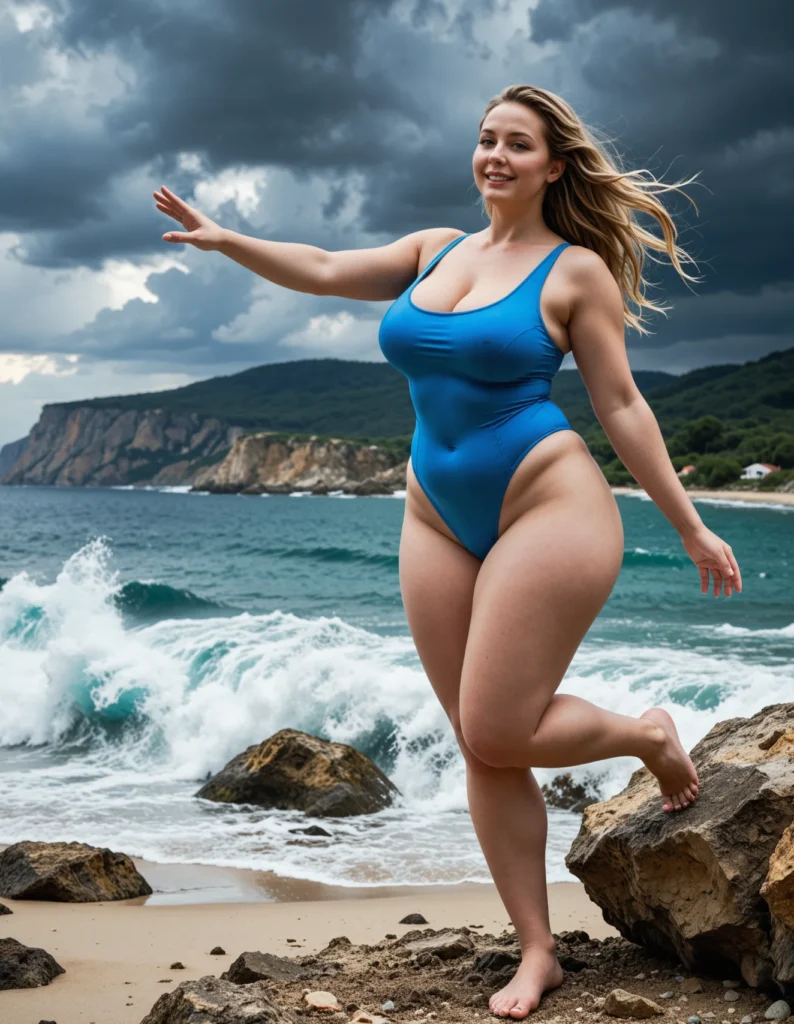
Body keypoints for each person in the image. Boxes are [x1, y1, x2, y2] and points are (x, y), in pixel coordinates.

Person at [154, 83, 742, 1020]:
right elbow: (319, 263)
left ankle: (646, 735)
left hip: (548, 504)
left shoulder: (574, 270)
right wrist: (229, 239)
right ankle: (537, 948)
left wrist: (690, 523)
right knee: (482, 742)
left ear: (554, 165)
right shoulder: (434, 251)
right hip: (433, 513)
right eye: (485, 141)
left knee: (502, 726)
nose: (495, 157)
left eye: (517, 144)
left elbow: (622, 406)